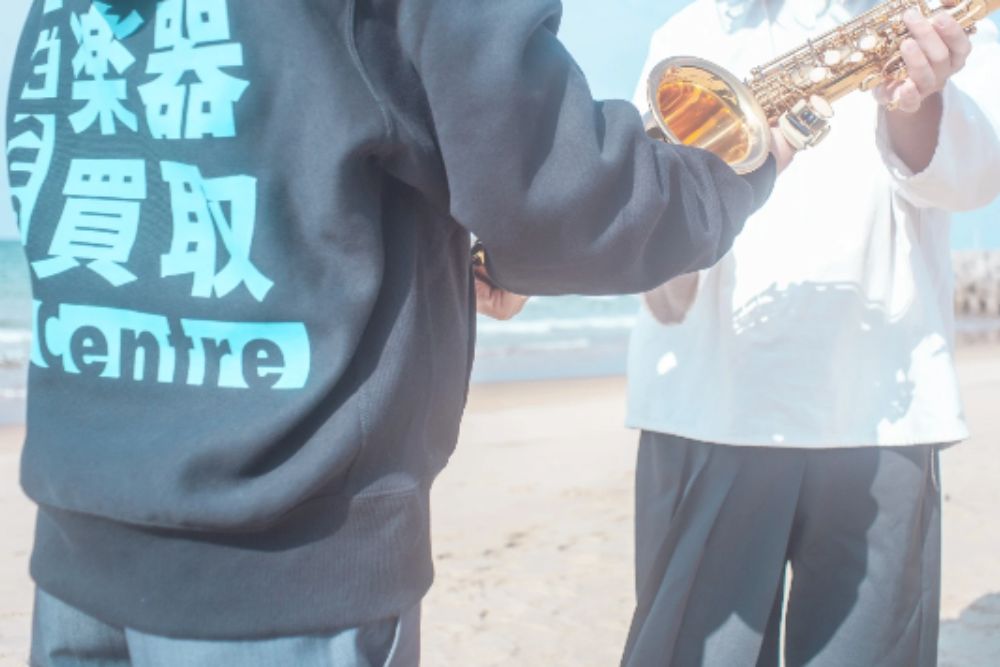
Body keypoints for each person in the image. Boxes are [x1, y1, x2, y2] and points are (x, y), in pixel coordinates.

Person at [5, 0, 786, 664]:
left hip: (80, 536)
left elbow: (94, 159)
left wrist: (448, 248)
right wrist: (740, 172)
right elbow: (563, 196)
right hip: (283, 565)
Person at [623, 1, 1000, 665]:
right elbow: (648, 226)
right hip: (708, 400)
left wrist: (916, 101)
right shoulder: (686, 32)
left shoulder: (945, 14)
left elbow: (977, 180)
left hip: (881, 408)